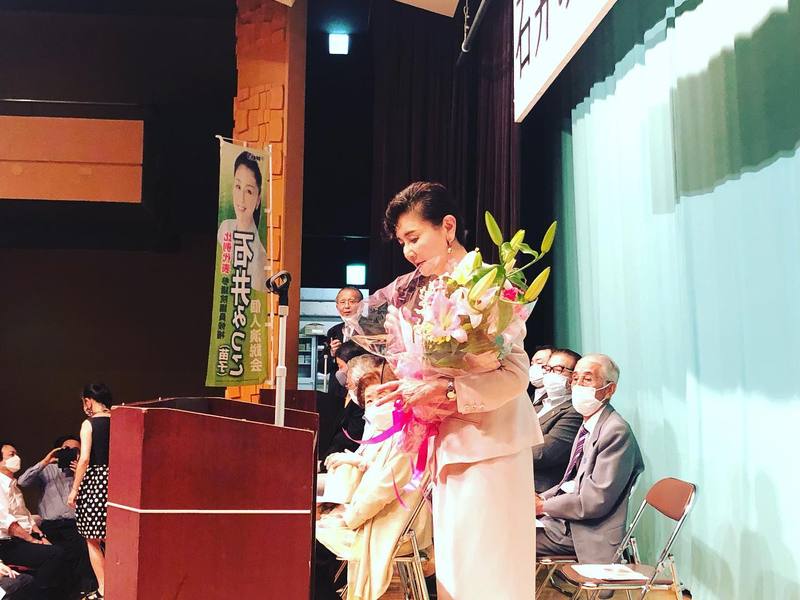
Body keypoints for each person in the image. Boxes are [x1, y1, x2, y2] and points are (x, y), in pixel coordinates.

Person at [372, 181, 543, 599]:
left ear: (447, 226)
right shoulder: (423, 290)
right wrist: (411, 384)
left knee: (490, 573)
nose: (408, 251)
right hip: (448, 446)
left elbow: (515, 375)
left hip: (492, 446)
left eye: (414, 237)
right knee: (456, 572)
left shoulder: (489, 285)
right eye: (402, 243)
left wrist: (446, 392)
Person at [315, 354, 432, 600]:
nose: (377, 404)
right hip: (374, 516)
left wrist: (349, 517)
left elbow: (382, 489)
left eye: (383, 396)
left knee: (313, 546)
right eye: (369, 400)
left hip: (392, 526)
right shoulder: (390, 431)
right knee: (311, 537)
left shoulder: (409, 435)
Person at [535, 354, 644, 564]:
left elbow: (594, 501)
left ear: (609, 389)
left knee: (507, 537)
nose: (578, 386)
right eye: (575, 379)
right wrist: (541, 498)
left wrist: (542, 506)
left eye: (587, 379)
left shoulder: (615, 431)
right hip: (564, 522)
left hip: (585, 533)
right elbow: (571, 482)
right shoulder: (590, 424)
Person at [18, 435, 97, 597]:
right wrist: (46, 461)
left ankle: (82, 593)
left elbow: (95, 498)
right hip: (50, 525)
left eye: (76, 450)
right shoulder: (47, 470)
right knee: (54, 558)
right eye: (66, 449)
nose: (71, 453)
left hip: (75, 524)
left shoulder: (84, 472)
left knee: (84, 554)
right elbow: (22, 482)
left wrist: (81, 475)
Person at [0, 443, 67, 600]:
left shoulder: (13, 486)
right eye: (11, 455)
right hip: (7, 543)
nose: (17, 458)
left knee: (61, 551)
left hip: (23, 538)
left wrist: (40, 536)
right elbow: (8, 523)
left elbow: (26, 516)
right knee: (54, 555)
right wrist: (32, 540)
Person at [67, 384, 112, 600]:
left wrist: (75, 489)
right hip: (120, 481)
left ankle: (104, 589)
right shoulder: (120, 419)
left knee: (92, 538)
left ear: (88, 400)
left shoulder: (89, 424)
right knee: (114, 537)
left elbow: (84, 459)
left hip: (96, 483)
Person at [216, 151, 268, 292]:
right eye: (238, 187)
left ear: (258, 200)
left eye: (249, 191)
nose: (241, 198)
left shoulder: (261, 257)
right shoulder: (225, 228)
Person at [533, 348, 583, 493]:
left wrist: (504, 449)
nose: (550, 374)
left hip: (539, 488)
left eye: (558, 369)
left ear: (573, 377)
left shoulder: (575, 411)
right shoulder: (540, 403)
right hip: (514, 474)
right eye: (548, 369)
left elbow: (542, 454)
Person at [319, 341, 369, 469]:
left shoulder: (362, 399)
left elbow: (351, 437)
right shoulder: (351, 394)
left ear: (354, 366)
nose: (339, 373)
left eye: (341, 367)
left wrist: (324, 464)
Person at [325, 287, 366, 399]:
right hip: (337, 391)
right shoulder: (334, 331)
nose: (347, 306)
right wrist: (332, 354)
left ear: (361, 305)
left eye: (352, 301)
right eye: (342, 302)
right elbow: (322, 367)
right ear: (337, 306)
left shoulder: (371, 328)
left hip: (363, 388)